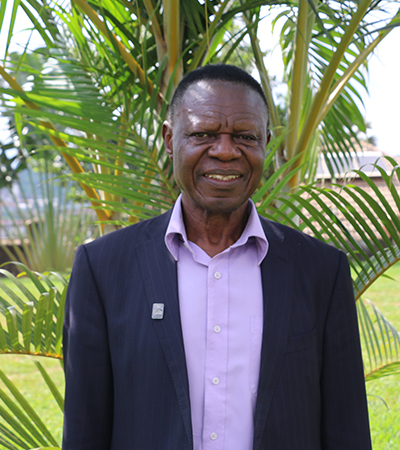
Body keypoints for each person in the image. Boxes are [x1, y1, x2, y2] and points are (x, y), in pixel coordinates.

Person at [62, 64, 372, 450]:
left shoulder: (321, 271)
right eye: (203, 134)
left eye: (244, 136)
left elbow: (346, 429)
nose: (225, 151)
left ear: (265, 143)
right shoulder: (103, 269)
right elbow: (85, 430)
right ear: (170, 139)